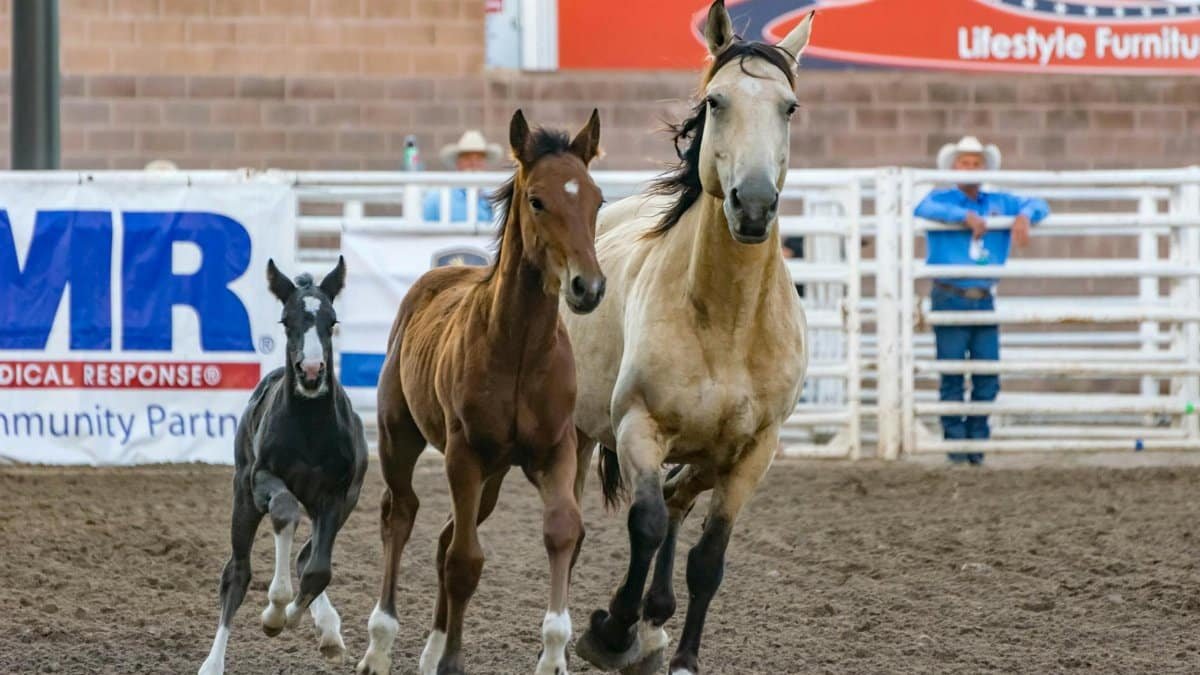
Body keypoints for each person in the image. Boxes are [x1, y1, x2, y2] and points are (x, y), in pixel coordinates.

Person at [914, 136, 1049, 465]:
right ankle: (958, 448)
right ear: (954, 167)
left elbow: (1039, 203)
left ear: (984, 167)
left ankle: (975, 445)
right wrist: (963, 215)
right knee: (953, 373)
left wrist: (1025, 216)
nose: (970, 168)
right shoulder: (941, 199)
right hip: (950, 294)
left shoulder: (999, 201)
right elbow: (924, 207)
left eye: (975, 163)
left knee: (987, 375)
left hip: (982, 296)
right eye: (964, 162)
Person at [422, 130, 501, 223]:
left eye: (479, 158)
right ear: (458, 162)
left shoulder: (496, 197)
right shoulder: (436, 198)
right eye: (467, 157)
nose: (474, 163)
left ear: (485, 163)